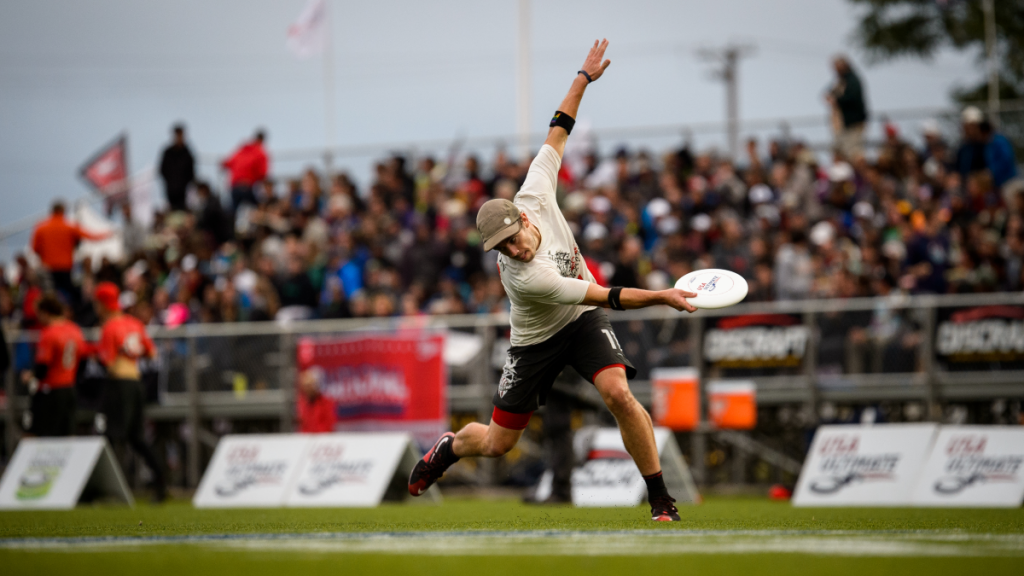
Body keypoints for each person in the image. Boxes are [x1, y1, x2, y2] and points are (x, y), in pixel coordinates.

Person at [407, 40, 698, 522]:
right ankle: (449, 448)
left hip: (581, 320)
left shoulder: (535, 189)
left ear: (522, 216)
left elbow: (559, 128)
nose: (513, 250)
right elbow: (611, 295)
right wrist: (664, 296)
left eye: (513, 240)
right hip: (535, 340)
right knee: (499, 444)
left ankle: (660, 498)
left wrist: (581, 78)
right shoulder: (526, 277)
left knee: (619, 394)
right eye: (502, 249)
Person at [93, 281, 167, 502]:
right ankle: (160, 483)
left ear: (103, 304)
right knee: (137, 438)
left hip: (119, 384)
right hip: (136, 383)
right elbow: (152, 353)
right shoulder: (134, 324)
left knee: (113, 437)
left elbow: (107, 361)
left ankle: (113, 489)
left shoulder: (110, 327)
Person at [20, 295, 87, 437]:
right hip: (69, 388)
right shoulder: (75, 330)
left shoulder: (49, 333)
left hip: (50, 391)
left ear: (45, 312)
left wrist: (29, 376)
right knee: (67, 435)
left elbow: (43, 367)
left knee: (33, 433)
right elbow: (82, 359)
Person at [31, 201, 112, 308]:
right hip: (65, 267)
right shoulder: (69, 227)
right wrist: (107, 234)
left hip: (48, 267)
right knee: (71, 291)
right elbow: (90, 236)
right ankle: (79, 311)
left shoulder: (41, 228)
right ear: (63, 211)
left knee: (50, 294)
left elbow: (35, 248)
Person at [827, 55, 868, 161]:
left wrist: (837, 100)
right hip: (842, 125)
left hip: (853, 123)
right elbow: (829, 92)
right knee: (840, 152)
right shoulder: (841, 81)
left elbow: (853, 97)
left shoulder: (852, 80)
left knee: (854, 152)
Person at [222, 130, 269, 214]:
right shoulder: (260, 152)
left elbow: (226, 163)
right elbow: (263, 173)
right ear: (262, 140)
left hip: (235, 186)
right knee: (258, 209)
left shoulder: (242, 150)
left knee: (233, 211)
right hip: (248, 187)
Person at [158, 123, 196, 212]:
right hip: (170, 191)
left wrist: (186, 184)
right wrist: (170, 182)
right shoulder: (167, 152)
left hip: (184, 192)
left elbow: (192, 172)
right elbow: (162, 170)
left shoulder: (187, 153)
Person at [296, 368, 337, 433]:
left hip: (323, 439)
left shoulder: (326, 402)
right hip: (305, 439)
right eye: (305, 386)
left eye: (309, 385)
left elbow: (329, 424)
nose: (307, 389)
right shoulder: (301, 403)